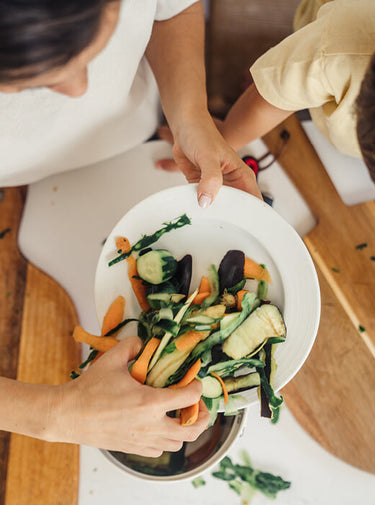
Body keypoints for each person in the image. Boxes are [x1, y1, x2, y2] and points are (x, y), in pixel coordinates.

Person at [0, 0, 261, 457]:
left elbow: (171, 9)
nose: (81, 88)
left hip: (132, 135)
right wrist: (54, 415)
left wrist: (188, 114)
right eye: (27, 82)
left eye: (90, 48)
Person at [215, 0, 375, 224]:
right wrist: (221, 144)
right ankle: (279, 61)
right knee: (288, 70)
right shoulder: (335, 48)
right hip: (332, 28)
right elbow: (264, 103)